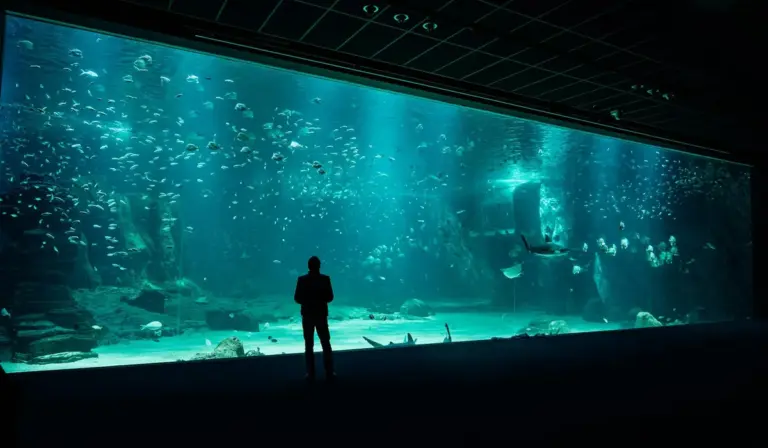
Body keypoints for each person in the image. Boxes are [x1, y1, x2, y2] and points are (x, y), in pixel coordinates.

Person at [294, 256, 335, 381]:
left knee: (308, 345)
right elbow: (330, 297)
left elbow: (297, 298)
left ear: (308, 266)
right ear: (319, 266)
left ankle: (310, 373)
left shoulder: (302, 280)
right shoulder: (325, 279)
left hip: (307, 315)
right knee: (326, 343)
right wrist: (319, 299)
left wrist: (308, 301)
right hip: (321, 315)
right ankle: (329, 372)